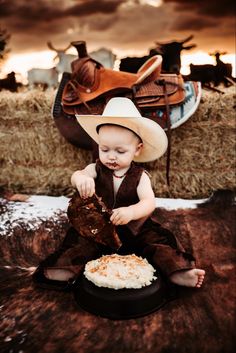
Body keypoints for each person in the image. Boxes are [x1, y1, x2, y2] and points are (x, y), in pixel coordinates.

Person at [33, 97, 205, 291]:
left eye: (120, 151)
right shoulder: (96, 169)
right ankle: (64, 269)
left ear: (137, 150)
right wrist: (82, 179)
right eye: (104, 149)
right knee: (79, 243)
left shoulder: (140, 176)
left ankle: (179, 272)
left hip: (135, 228)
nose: (111, 156)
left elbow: (149, 202)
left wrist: (132, 212)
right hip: (99, 228)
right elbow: (78, 174)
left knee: (159, 242)